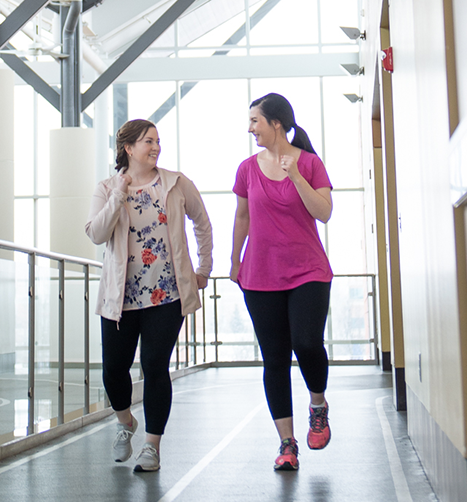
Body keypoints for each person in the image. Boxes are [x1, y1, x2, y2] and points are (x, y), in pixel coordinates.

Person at [86, 119, 212, 472]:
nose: (155, 148)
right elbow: (96, 234)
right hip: (120, 298)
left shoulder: (175, 183)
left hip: (166, 295)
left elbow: (202, 224)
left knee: (156, 367)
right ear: (128, 148)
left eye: (157, 141)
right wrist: (118, 194)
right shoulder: (107, 187)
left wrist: (203, 269)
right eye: (148, 142)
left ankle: (152, 447)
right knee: (114, 370)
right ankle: (126, 422)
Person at [230, 93, 333, 471]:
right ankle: (287, 443)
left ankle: (318, 405)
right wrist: (235, 258)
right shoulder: (246, 168)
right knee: (274, 359)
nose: (250, 128)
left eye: (255, 120)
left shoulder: (309, 163)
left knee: (306, 343)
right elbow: (242, 217)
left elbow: (323, 213)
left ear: (276, 123)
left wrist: (295, 176)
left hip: (308, 271)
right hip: (260, 275)